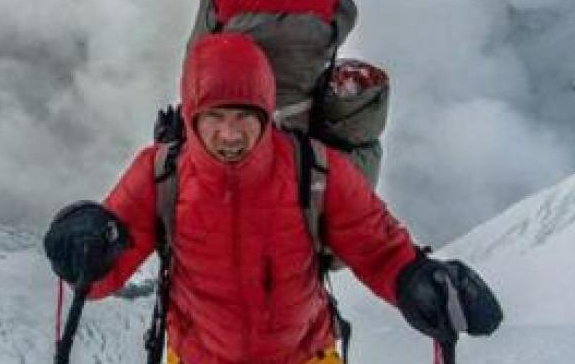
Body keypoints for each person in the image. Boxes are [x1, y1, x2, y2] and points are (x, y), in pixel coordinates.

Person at [44, 33, 501, 364]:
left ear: (265, 111)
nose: (229, 133)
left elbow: (379, 250)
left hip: (304, 355)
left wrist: (417, 279)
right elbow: (100, 277)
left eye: (244, 115)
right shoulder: (160, 172)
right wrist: (82, 246)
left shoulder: (316, 168)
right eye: (215, 116)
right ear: (191, 116)